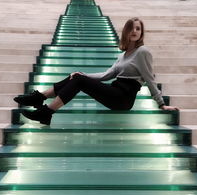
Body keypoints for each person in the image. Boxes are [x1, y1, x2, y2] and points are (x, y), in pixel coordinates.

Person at [14, 17, 179, 125]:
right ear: (126, 32)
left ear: (141, 33)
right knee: (77, 77)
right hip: (114, 92)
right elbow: (106, 75)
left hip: (123, 98)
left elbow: (150, 79)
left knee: (79, 80)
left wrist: (162, 104)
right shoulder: (123, 55)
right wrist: (83, 75)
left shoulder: (143, 52)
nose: (134, 31)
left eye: (138, 29)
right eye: (131, 28)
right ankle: (40, 99)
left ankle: (45, 109)